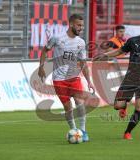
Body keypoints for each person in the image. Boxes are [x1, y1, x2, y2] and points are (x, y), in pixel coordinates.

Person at [94, 18, 140, 140]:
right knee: (117, 105)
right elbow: (120, 51)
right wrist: (105, 55)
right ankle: (124, 106)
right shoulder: (133, 41)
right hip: (130, 78)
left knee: (139, 107)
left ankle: (127, 132)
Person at [38, 14, 97, 142]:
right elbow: (44, 51)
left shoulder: (81, 43)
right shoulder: (57, 38)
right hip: (59, 79)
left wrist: (89, 82)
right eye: (79, 25)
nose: (81, 28)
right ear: (71, 24)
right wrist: (41, 67)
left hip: (74, 76)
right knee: (68, 108)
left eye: (82, 25)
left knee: (79, 102)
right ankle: (74, 130)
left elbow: (83, 63)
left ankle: (83, 131)